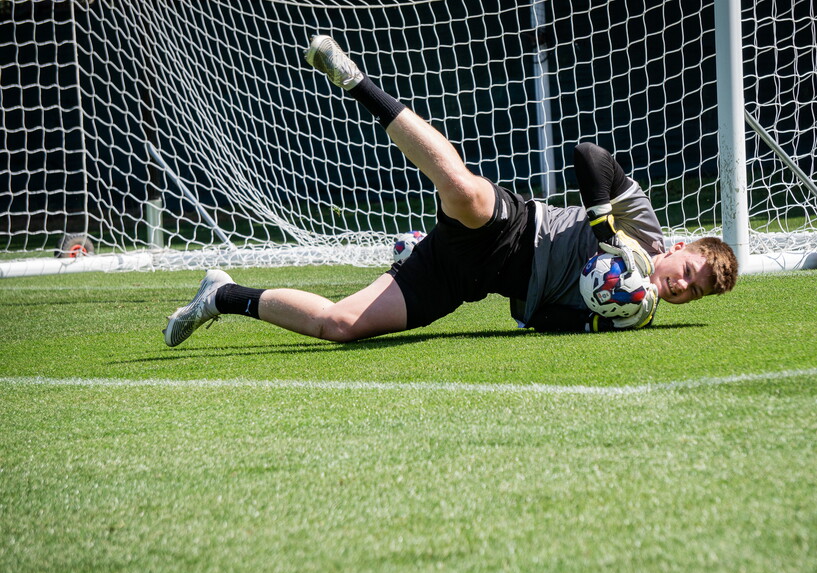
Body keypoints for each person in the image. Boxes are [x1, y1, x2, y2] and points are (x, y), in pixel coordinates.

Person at [163, 35, 738, 348]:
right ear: (683, 247)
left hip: (471, 279)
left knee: (340, 327)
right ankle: (354, 79)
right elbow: (588, 157)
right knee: (462, 190)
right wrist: (605, 234)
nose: (685, 286)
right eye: (693, 271)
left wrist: (592, 318)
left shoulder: (634, 311)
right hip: (516, 225)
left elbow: (536, 321)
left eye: (697, 292)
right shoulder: (643, 228)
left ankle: (221, 295)